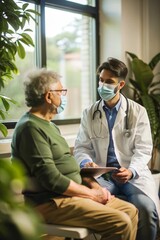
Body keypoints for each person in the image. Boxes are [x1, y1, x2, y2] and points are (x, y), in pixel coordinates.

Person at [11, 68, 138, 240]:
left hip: (69, 196)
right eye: (61, 91)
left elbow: (69, 167)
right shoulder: (30, 128)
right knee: (120, 221)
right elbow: (51, 179)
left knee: (130, 210)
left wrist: (95, 186)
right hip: (50, 202)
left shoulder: (50, 126)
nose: (64, 96)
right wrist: (92, 195)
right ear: (48, 97)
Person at [73, 57, 160, 240]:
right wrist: (85, 161)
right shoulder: (89, 113)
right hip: (103, 177)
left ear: (120, 84)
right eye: (101, 80)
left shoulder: (137, 111)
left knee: (146, 209)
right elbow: (82, 146)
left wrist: (131, 170)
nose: (103, 85)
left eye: (109, 82)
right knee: (90, 204)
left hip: (132, 177)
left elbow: (144, 148)